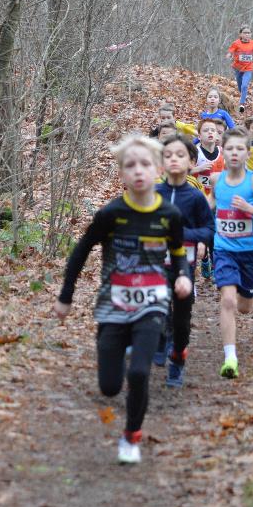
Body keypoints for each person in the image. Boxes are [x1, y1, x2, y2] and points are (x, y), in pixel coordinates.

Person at [55, 132, 192, 464]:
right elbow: (80, 252)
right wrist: (66, 296)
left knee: (140, 373)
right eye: (130, 165)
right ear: (121, 174)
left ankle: (131, 436)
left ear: (158, 169)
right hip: (113, 304)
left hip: (152, 303)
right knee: (110, 387)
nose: (138, 171)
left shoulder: (170, 215)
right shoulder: (111, 214)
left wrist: (184, 275)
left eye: (145, 164)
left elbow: (178, 254)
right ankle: (118, 345)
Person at [209, 128, 253, 378]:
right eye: (230, 149)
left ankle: (243, 297)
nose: (235, 153)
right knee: (227, 300)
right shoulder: (216, 180)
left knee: (245, 307)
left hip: (251, 252)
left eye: (240, 149)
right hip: (224, 250)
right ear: (223, 152)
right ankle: (230, 358)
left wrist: (250, 208)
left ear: (248, 153)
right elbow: (210, 207)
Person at [155, 134, 215, 387]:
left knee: (181, 318)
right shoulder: (152, 193)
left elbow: (209, 230)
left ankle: (178, 359)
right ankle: (160, 340)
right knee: (157, 306)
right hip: (154, 264)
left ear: (192, 162)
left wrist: (184, 235)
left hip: (183, 267)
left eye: (180, 155)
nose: (173, 160)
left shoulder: (195, 197)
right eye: (168, 155)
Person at [192, 118, 225, 279]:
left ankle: (216, 265)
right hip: (199, 202)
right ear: (199, 135)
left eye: (213, 130)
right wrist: (198, 169)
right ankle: (205, 259)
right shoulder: (194, 152)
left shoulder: (223, 152)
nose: (210, 133)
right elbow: (183, 172)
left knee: (217, 236)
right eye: (206, 130)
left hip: (218, 201)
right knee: (205, 236)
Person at [226, 25, 253, 113]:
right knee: (240, 86)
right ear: (240, 34)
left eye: (249, 33)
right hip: (237, 68)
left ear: (251, 34)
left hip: (248, 68)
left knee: (244, 85)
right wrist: (229, 55)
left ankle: (242, 104)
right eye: (245, 33)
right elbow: (231, 51)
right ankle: (243, 95)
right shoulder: (236, 43)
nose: (247, 35)